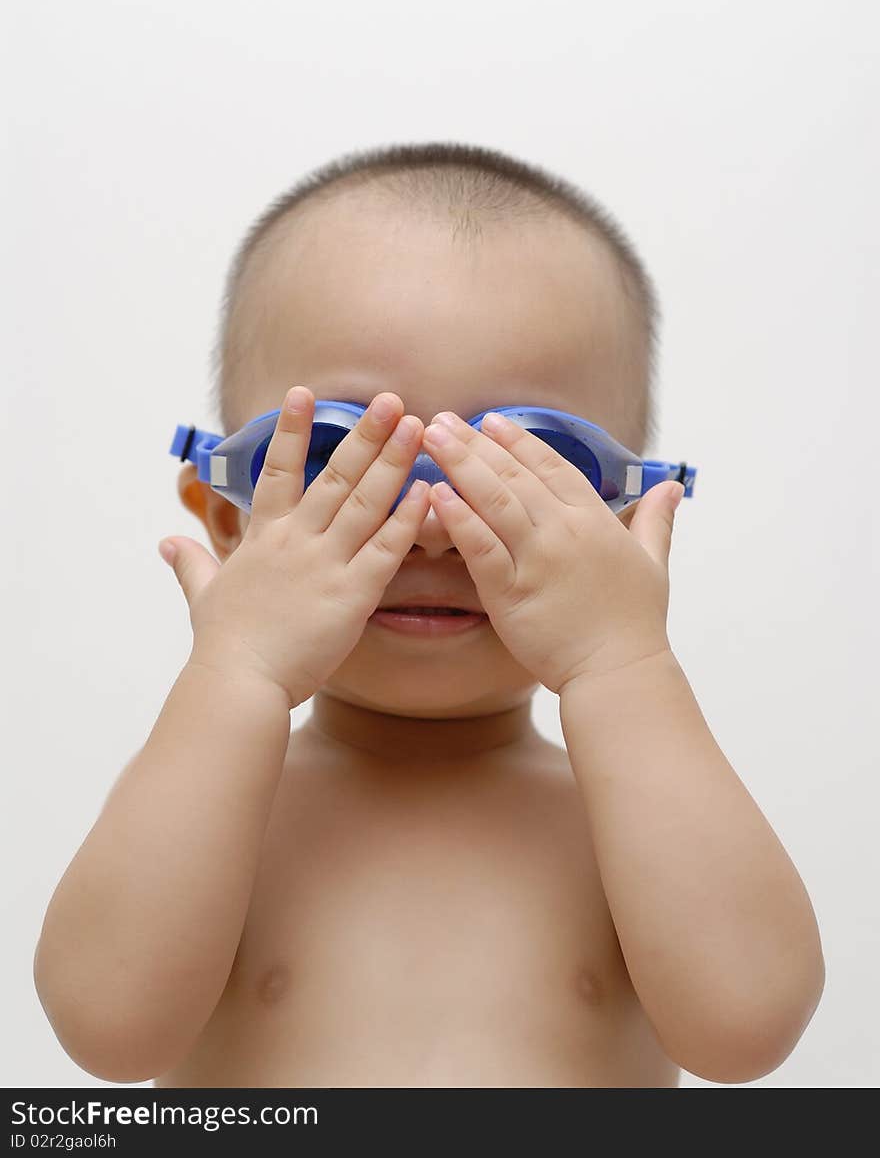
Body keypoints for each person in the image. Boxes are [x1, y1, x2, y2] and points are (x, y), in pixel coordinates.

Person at [33, 142, 824, 1087]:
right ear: (230, 520)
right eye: (342, 461)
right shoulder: (214, 807)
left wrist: (622, 661)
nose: (436, 529)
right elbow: (104, 1030)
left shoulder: (628, 824)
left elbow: (750, 1028)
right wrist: (235, 669)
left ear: (623, 527)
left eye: (530, 468)